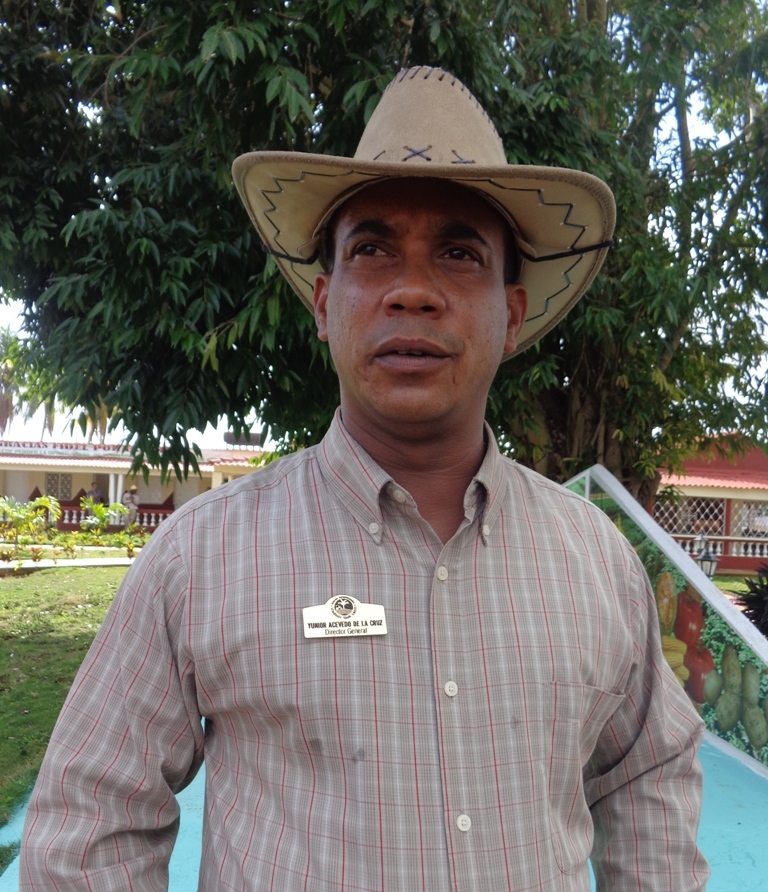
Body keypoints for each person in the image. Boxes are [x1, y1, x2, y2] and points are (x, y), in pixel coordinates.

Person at [20, 67, 710, 891]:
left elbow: (648, 778)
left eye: (459, 253)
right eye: (373, 250)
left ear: (513, 315)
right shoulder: (199, 557)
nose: (412, 291)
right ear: (323, 303)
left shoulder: (597, 561)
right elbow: (90, 826)